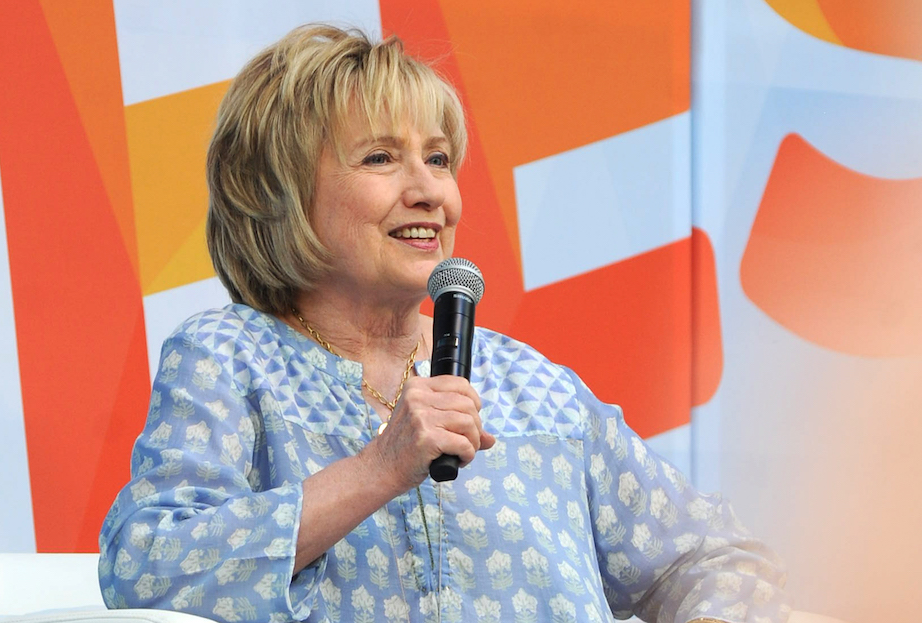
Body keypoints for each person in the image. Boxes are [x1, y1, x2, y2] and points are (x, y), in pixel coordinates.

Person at [98, 24, 791, 623]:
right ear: (278, 192)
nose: (430, 190)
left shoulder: (535, 389)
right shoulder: (229, 360)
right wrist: (380, 467)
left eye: (437, 159)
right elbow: (147, 562)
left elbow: (712, 557)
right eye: (380, 157)